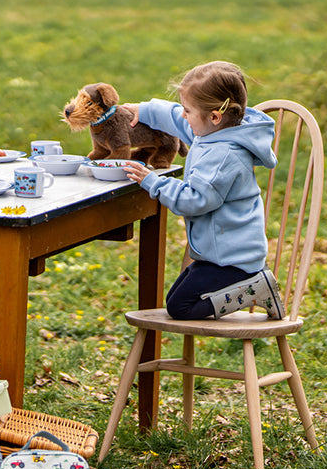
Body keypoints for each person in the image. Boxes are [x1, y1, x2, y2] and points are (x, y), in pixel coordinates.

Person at [121, 61, 285, 321]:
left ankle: (256, 287)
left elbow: (196, 199)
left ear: (215, 117)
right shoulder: (214, 133)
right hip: (218, 253)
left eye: (189, 110)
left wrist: (153, 182)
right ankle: (250, 284)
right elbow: (177, 118)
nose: (184, 115)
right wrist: (145, 110)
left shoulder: (223, 155)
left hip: (234, 260)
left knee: (179, 307)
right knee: (177, 296)